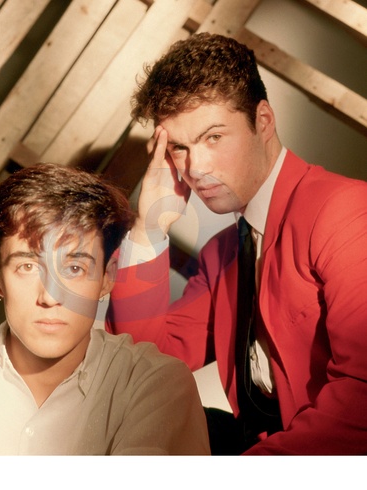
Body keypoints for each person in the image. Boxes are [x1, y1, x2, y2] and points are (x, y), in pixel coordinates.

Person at [106, 33, 367, 455]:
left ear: (263, 121)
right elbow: (145, 365)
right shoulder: (223, 252)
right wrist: (149, 229)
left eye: (213, 137)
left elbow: (361, 400)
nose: (196, 167)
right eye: (179, 148)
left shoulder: (344, 210)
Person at [0, 163, 210, 456]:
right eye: (28, 266)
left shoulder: (154, 385)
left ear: (107, 277)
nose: (50, 297)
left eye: (74, 268)